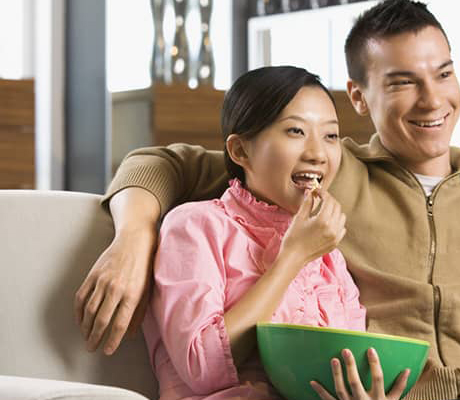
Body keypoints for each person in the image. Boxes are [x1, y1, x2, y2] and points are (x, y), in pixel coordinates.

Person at [75, 1, 460, 400]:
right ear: (359, 97)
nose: (432, 100)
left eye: (443, 74)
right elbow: (164, 163)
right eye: (402, 83)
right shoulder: (321, 178)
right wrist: (133, 235)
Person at [139, 65, 409, 400]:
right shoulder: (195, 227)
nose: (318, 154)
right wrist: (293, 257)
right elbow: (202, 369)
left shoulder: (329, 256)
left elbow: (346, 364)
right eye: (296, 131)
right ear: (240, 151)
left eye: (330, 136)